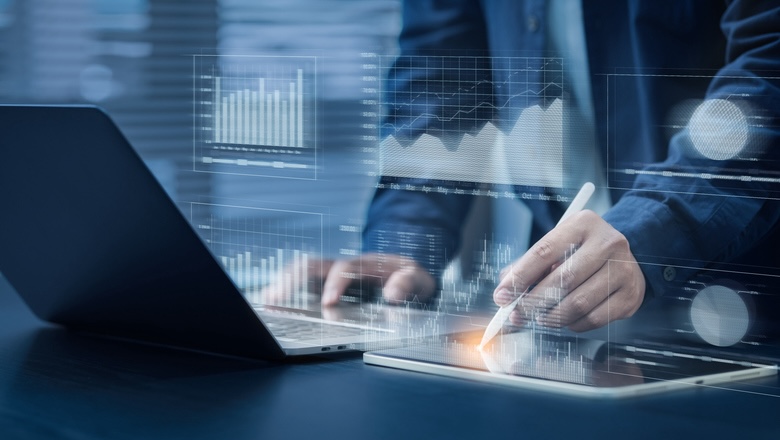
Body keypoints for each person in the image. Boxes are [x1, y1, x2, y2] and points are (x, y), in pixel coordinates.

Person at [294, 1, 780, 332]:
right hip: (558, 305)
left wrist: (657, 228)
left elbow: (769, 66)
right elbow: (440, 72)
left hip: (742, 300)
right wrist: (401, 240)